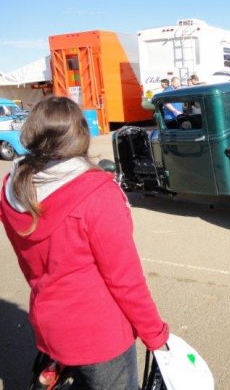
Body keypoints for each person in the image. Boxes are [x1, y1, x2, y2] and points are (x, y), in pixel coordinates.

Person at [0, 96, 169, 389]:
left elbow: (30, 265)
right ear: (80, 135)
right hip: (100, 336)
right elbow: (124, 279)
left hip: (50, 324)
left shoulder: (11, 186)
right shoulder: (97, 193)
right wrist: (155, 334)